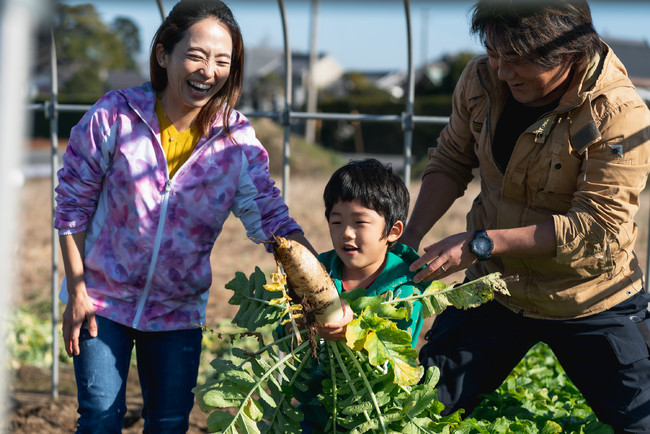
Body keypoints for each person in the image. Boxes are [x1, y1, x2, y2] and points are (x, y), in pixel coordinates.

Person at [53, 1, 314, 432]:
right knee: (100, 417)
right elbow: (71, 208)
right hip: (101, 301)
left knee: (170, 424)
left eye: (222, 61)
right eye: (195, 55)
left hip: (177, 313)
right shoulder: (114, 116)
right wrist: (78, 290)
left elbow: (270, 219)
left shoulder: (236, 142)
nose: (208, 70)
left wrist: (321, 280)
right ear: (163, 55)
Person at [400, 0, 650, 431]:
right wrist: (410, 237)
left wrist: (480, 243)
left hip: (589, 297)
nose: (500, 70)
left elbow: (596, 228)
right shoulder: (481, 80)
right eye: (494, 53)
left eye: (515, 60)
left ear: (567, 53)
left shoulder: (618, 112)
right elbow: (451, 160)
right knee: (417, 411)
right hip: (497, 288)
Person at [293, 158, 425, 432]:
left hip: (373, 412)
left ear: (393, 231)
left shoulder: (404, 290)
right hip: (314, 408)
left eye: (360, 222)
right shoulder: (319, 271)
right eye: (337, 221)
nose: (346, 234)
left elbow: (395, 356)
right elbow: (289, 334)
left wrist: (354, 332)